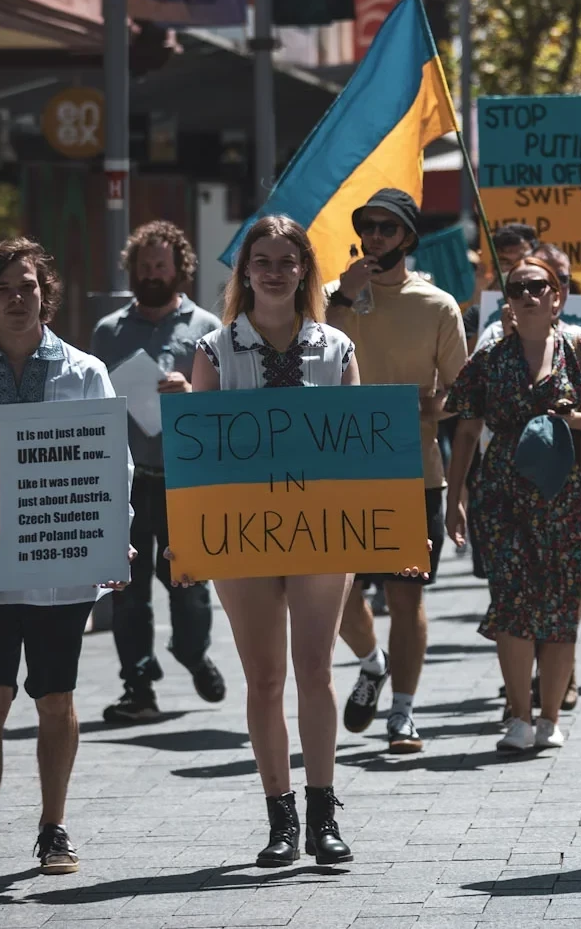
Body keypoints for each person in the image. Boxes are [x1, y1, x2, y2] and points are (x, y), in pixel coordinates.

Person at [0, 239, 126, 893]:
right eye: (5, 287)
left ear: (47, 293)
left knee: (56, 699)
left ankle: (53, 825)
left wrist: (113, 537)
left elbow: (109, 463)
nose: (18, 297)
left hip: (63, 568)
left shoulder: (86, 371)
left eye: (29, 285)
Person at [183, 215, 367, 867]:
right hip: (241, 535)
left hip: (321, 530)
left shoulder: (336, 348)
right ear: (245, 272)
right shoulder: (213, 350)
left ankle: (323, 816)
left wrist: (385, 530)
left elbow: (359, 451)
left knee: (315, 671)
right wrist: (188, 543)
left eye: (287, 260)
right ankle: (280, 818)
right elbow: (197, 456)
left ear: (305, 270)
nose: (274, 270)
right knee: (264, 678)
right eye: (262, 259)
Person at [443, 246, 581, 754]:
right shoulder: (489, 358)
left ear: (558, 297)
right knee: (512, 603)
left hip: (570, 493)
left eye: (541, 287)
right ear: (506, 303)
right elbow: (466, 432)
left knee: (560, 605)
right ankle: (519, 715)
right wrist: (455, 499)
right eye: (519, 288)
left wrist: (568, 419)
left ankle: (551, 716)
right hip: (503, 495)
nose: (531, 295)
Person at [323, 189, 471, 754]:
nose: (376, 237)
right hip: (339, 473)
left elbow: (462, 395)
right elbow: (312, 363)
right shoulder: (335, 299)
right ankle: (370, 662)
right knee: (332, 594)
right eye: (369, 227)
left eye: (388, 228)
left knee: (406, 598)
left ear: (408, 237)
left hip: (413, 473)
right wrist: (343, 297)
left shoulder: (437, 306)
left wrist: (424, 406)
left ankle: (404, 713)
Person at [87, 221, 223, 724]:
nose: (150, 274)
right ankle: (138, 686)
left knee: (188, 584)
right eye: (143, 266)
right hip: (122, 480)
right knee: (127, 591)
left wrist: (191, 393)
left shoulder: (207, 327)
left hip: (182, 479)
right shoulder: (108, 332)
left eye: (159, 265)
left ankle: (193, 654)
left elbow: (225, 406)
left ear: (179, 267)